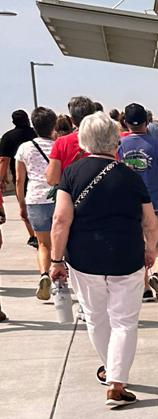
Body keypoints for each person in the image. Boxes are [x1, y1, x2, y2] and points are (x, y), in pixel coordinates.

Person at [49, 112, 158, 408]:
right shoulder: (130, 176)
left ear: (84, 140)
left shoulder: (71, 175)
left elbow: (60, 220)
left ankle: (111, 370)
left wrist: (56, 259)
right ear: (116, 141)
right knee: (124, 321)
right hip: (127, 256)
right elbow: (150, 221)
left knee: (95, 317)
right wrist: (150, 247)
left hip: (85, 258)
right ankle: (116, 380)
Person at [119, 102, 158, 301]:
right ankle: (157, 274)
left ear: (125, 123)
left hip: (127, 207)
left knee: (137, 247)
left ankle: (144, 288)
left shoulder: (118, 145)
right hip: (156, 204)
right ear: (147, 121)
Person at [14, 106, 58, 301]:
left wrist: (22, 204)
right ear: (53, 125)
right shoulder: (58, 146)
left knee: (43, 243)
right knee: (62, 244)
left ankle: (43, 275)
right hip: (58, 199)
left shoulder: (25, 148)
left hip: (35, 199)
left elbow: (19, 180)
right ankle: (61, 280)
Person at [0, 110, 38, 247]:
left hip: (20, 175)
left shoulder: (8, 137)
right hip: (39, 173)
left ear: (13, 122)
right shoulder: (36, 132)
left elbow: (4, 160)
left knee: (24, 206)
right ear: (27, 119)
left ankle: (33, 235)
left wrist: (1, 179)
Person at [46, 96, 98, 186]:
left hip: (73, 195)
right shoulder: (106, 139)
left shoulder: (61, 143)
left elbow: (52, 179)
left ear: (72, 120)